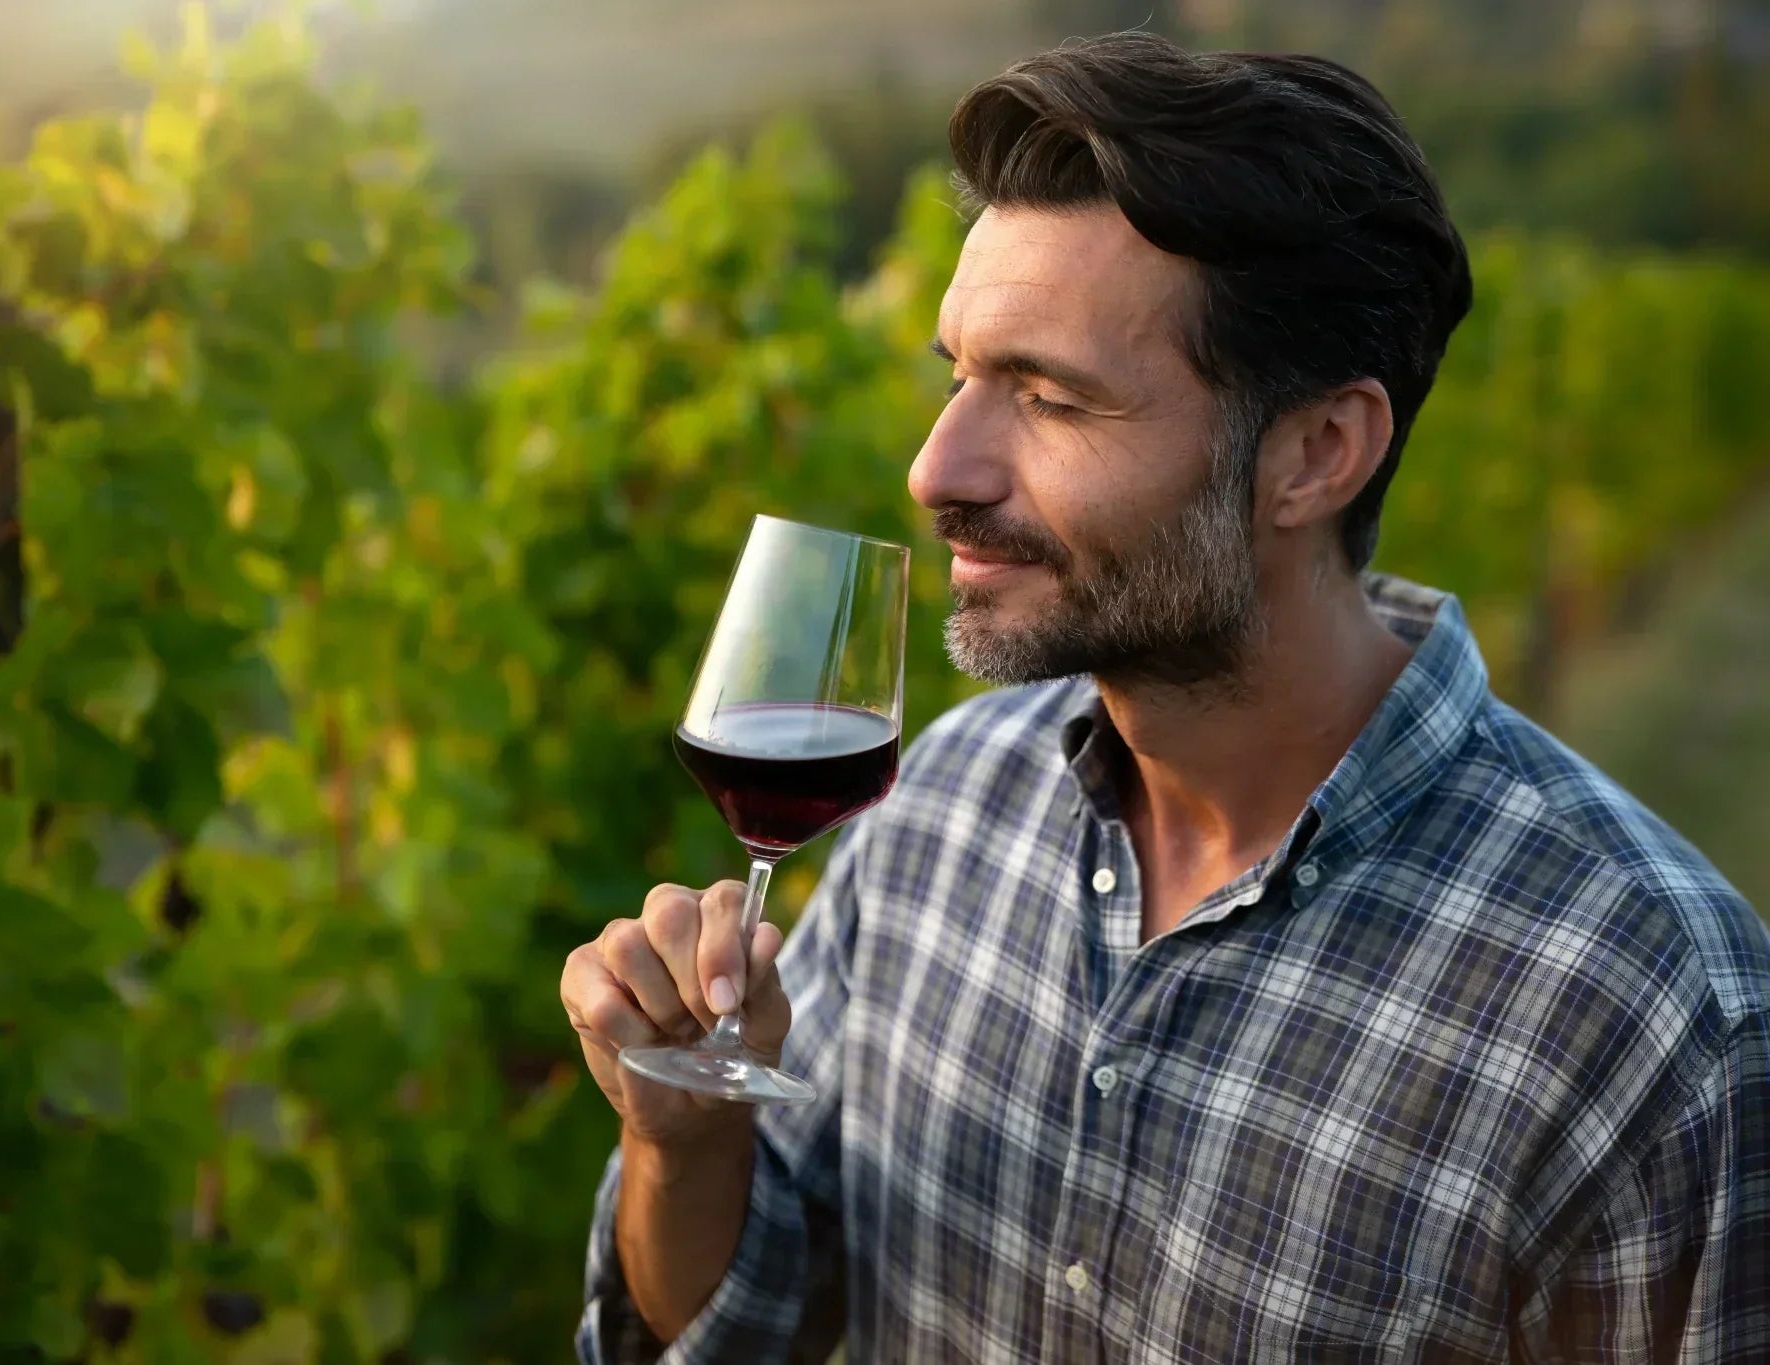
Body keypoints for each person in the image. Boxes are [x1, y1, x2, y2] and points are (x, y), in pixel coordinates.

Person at [561, 31, 1770, 1364]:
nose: (934, 466)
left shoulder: (1653, 1022)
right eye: (957, 373)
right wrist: (684, 1134)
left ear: (1315, 453)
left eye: (1049, 397)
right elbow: (750, 1328)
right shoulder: (936, 808)